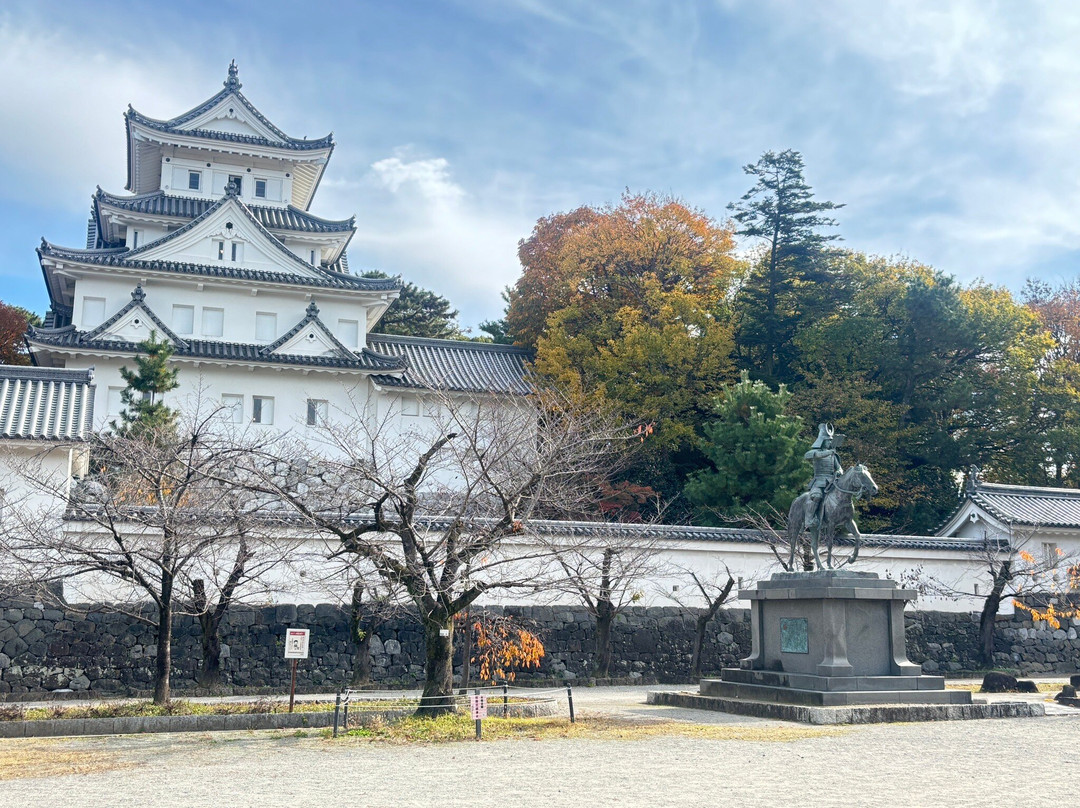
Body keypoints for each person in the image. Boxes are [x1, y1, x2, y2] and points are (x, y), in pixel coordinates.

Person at [804, 423, 843, 533]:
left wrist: (839, 471)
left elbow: (839, 468)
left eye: (831, 441)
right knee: (816, 496)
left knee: (843, 497)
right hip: (819, 481)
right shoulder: (815, 452)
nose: (830, 442)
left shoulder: (833, 455)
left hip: (832, 481)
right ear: (822, 441)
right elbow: (810, 455)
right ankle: (809, 519)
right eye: (828, 440)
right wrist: (828, 452)